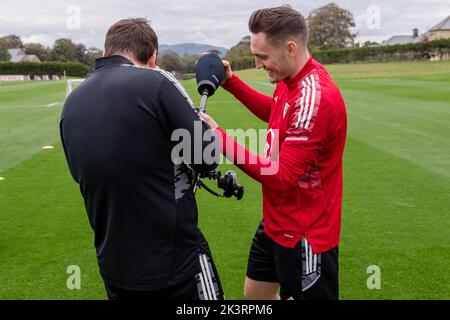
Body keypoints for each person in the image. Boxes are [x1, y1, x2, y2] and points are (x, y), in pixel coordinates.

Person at [60, 18, 223, 300]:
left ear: (105, 52)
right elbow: (207, 159)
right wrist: (208, 129)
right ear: (152, 57)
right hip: (175, 263)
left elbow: (80, 173)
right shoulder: (156, 81)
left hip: (115, 265)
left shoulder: (72, 101)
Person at [201, 5, 347, 300]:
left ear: (290, 48)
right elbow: (277, 112)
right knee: (255, 295)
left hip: (306, 234)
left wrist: (219, 137)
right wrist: (232, 83)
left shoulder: (315, 97)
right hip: (276, 221)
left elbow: (281, 176)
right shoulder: (290, 80)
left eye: (263, 56)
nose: (257, 64)